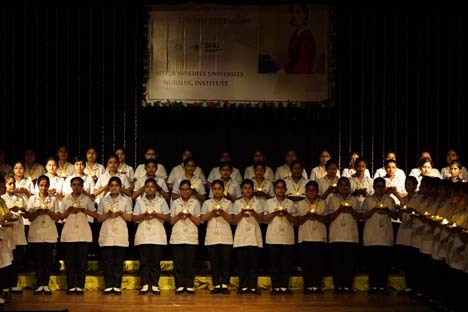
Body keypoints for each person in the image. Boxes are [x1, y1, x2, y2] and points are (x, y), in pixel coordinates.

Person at [59, 177, 97, 295]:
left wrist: (84, 210)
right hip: (69, 233)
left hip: (83, 233)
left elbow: (95, 215)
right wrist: (69, 211)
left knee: (82, 261)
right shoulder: (66, 199)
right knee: (70, 261)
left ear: (82, 186)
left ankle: (80, 285)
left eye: (79, 185)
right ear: (71, 186)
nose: (76, 187)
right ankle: (70, 286)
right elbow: (60, 217)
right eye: (74, 185)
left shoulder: (86, 199)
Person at [132, 178, 170, 295]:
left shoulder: (161, 201)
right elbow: (134, 218)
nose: (149, 189)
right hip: (143, 234)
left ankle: (154, 284)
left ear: (156, 189)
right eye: (147, 187)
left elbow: (168, 217)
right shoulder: (139, 202)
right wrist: (143, 215)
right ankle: (144, 284)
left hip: (157, 234)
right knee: (144, 261)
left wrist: (156, 214)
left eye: (152, 187)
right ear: (144, 189)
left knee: (155, 261)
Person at [97, 177, 133, 295]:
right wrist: (107, 214)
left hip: (120, 233)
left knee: (118, 261)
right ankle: (108, 285)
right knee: (107, 261)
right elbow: (98, 218)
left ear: (120, 187)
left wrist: (121, 213)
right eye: (111, 185)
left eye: (116, 185)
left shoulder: (126, 200)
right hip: (107, 233)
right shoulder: (103, 200)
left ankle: (117, 285)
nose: (114, 187)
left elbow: (130, 218)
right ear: (108, 187)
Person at [360, 177, 397, 294]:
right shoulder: (368, 200)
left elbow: (395, 216)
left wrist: (387, 211)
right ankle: (373, 285)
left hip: (385, 235)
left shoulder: (390, 200)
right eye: (378, 186)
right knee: (373, 263)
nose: (380, 188)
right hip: (372, 235)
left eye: (382, 186)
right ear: (374, 187)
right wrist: (374, 209)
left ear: (385, 188)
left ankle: (382, 285)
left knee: (384, 263)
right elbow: (362, 216)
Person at [27, 175, 60, 295]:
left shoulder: (54, 199)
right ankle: (39, 284)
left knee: (47, 260)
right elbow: (29, 217)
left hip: (50, 232)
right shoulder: (32, 199)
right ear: (38, 186)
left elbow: (58, 217)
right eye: (41, 185)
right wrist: (38, 212)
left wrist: (49, 212)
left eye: (46, 185)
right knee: (38, 260)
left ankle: (45, 285)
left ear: (49, 186)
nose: (43, 187)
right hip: (36, 233)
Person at [263, 179, 297, 295]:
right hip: (273, 236)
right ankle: (275, 287)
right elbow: (264, 219)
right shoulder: (269, 202)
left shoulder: (291, 203)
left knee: (286, 264)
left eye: (282, 187)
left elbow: (296, 221)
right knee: (274, 264)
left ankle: (284, 287)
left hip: (287, 236)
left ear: (286, 190)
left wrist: (286, 213)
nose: (280, 190)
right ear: (274, 190)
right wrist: (275, 213)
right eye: (278, 187)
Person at [326, 177, 360, 293]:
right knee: (337, 263)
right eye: (341, 185)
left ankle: (348, 286)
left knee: (349, 263)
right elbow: (329, 217)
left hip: (351, 235)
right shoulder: (333, 199)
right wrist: (340, 209)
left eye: (346, 185)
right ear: (338, 187)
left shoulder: (355, 200)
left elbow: (359, 217)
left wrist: (351, 210)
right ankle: (338, 286)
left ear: (350, 187)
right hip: (336, 235)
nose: (344, 187)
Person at [201, 180, 234, 294]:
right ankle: (216, 284)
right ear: (211, 190)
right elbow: (202, 218)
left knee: (225, 261)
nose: (217, 191)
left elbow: (232, 219)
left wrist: (222, 212)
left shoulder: (228, 203)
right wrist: (212, 213)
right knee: (214, 261)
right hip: (212, 236)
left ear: (223, 190)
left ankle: (224, 284)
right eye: (214, 189)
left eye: (219, 188)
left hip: (225, 235)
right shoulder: (207, 203)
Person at [231, 179, 264, 295]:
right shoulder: (237, 203)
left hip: (254, 235)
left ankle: (253, 286)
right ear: (241, 190)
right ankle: (243, 286)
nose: (247, 190)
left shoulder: (258, 202)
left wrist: (252, 212)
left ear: (253, 189)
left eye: (250, 188)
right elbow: (234, 221)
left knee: (253, 264)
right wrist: (242, 213)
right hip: (241, 236)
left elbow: (262, 219)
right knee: (242, 264)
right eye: (245, 188)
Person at [169, 180, 201, 294]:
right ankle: (179, 285)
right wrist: (179, 215)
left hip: (191, 236)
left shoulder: (196, 203)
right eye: (183, 189)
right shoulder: (175, 202)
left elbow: (198, 221)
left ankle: (189, 285)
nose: (185, 191)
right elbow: (171, 221)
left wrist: (189, 215)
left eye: (187, 189)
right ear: (180, 191)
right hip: (178, 236)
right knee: (179, 263)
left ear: (191, 190)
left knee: (190, 262)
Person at [296, 181, 327, 294]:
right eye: (309, 190)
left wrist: (317, 216)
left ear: (317, 192)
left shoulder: (323, 203)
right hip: (305, 237)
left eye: (314, 190)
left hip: (319, 237)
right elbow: (297, 221)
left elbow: (327, 219)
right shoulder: (300, 204)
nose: (311, 192)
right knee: (306, 264)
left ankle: (316, 286)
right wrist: (307, 216)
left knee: (318, 264)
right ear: (305, 192)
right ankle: (308, 286)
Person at [1, 175, 27, 294]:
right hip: (5, 232)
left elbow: (25, 213)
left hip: (17, 231)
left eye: (13, 183)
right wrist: (12, 211)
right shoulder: (2, 198)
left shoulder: (19, 198)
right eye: (9, 183)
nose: (12, 186)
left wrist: (20, 210)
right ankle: (5, 285)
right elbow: (5, 215)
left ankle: (13, 283)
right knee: (6, 261)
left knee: (16, 259)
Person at [285, 3, 316, 74]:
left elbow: (302, 65)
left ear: (305, 16)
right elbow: (292, 61)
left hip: (301, 77)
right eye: (292, 12)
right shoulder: (294, 36)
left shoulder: (306, 36)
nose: (294, 15)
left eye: (298, 12)